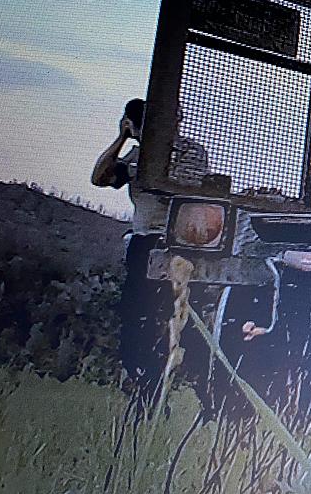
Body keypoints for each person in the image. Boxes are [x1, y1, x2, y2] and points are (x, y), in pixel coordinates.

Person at [92, 99, 208, 401]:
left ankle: (183, 381)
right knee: (134, 318)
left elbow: (187, 189)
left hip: (175, 243)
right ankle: (145, 387)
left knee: (171, 318)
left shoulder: (189, 151)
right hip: (143, 243)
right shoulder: (136, 156)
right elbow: (100, 177)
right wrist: (124, 138)